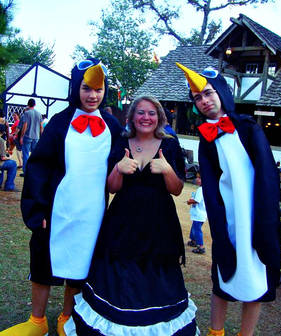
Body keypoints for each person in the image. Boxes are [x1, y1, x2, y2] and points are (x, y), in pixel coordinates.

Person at [0, 59, 122, 336]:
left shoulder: (113, 126)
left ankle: (67, 317)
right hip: (56, 209)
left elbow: (120, 164)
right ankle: (37, 321)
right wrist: (37, 209)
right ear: (75, 88)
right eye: (86, 88)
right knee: (43, 262)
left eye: (98, 89)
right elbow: (39, 166)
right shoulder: (59, 122)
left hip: (93, 213)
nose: (93, 95)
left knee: (81, 265)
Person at [64, 96, 198, 335]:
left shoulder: (169, 144)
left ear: (159, 117)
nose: (146, 118)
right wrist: (118, 168)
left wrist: (167, 170)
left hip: (159, 223)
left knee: (155, 272)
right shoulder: (121, 141)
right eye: (141, 113)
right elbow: (112, 187)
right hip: (122, 222)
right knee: (119, 270)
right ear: (132, 117)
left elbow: (177, 189)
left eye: (151, 113)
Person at [176, 63, 281, 336]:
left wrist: (265, 218)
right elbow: (211, 184)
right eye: (198, 98)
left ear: (222, 92)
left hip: (255, 213)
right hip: (229, 216)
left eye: (209, 93)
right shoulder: (205, 138)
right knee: (222, 275)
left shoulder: (248, 128)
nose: (204, 101)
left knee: (256, 276)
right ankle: (216, 331)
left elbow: (267, 174)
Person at [187, 174, 207, 254]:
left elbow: (197, 200)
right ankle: (193, 241)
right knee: (194, 227)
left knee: (197, 229)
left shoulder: (200, 189)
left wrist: (189, 202)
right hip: (200, 214)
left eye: (200, 178)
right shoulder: (204, 189)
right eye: (197, 177)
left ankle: (201, 246)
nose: (197, 179)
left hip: (199, 214)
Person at [0, 124, 18, 192]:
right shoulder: (1, 140)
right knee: (13, 164)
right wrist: (9, 158)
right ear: (2, 132)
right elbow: (2, 158)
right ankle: (9, 186)